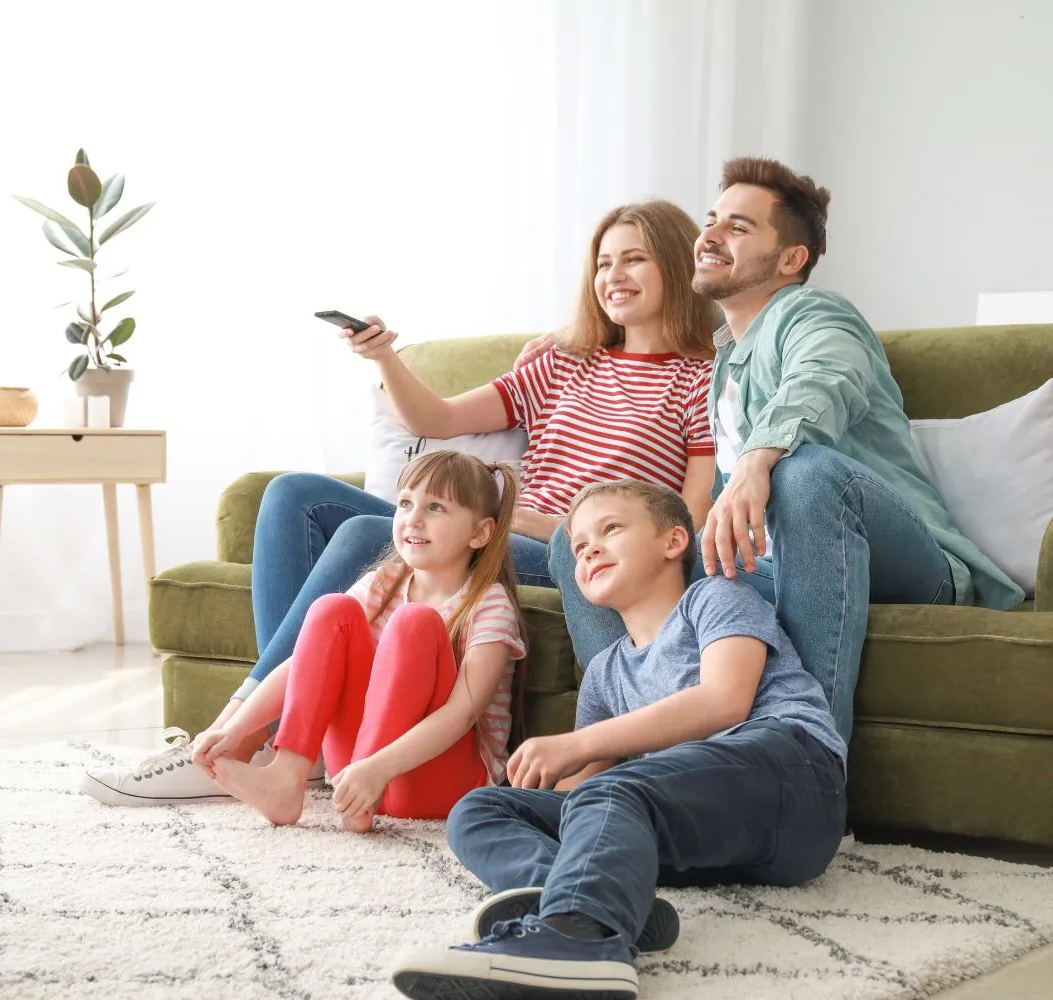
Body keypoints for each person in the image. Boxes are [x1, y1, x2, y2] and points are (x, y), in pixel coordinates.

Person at [84, 198, 720, 805]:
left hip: (560, 546)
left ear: (675, 263)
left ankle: (237, 740)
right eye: (604, 262)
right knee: (293, 496)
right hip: (496, 520)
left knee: (368, 534)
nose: (614, 274)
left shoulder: (701, 378)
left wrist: (537, 521)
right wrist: (385, 355)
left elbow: (685, 519)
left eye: (634, 258)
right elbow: (438, 419)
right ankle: (266, 733)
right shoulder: (563, 361)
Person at [546, 157, 1024, 746]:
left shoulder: (817, 315)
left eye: (739, 227)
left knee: (805, 475)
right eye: (712, 220)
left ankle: (806, 764)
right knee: (581, 547)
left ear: (791, 259)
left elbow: (825, 379)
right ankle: (632, 754)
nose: (711, 236)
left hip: (899, 561)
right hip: (770, 570)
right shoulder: (724, 363)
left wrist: (756, 461)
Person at [389, 480, 848, 999]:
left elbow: (726, 700)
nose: (590, 549)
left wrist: (577, 745)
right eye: (580, 546)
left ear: (673, 542)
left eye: (610, 530)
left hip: (794, 780)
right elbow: (580, 801)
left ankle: (577, 940)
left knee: (615, 790)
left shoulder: (714, 599)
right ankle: (593, 902)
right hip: (705, 839)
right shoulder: (607, 672)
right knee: (481, 809)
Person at [84, 451, 526, 827]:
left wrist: (377, 768)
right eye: (406, 503)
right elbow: (302, 664)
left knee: (414, 624)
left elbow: (461, 715)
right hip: (354, 774)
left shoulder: (489, 604)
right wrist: (235, 728)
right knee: (330, 610)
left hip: (431, 781)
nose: (412, 519)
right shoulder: (383, 582)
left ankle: (364, 786)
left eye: (436, 508)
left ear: (480, 532)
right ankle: (286, 777)